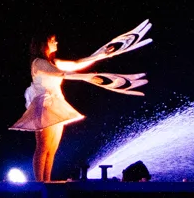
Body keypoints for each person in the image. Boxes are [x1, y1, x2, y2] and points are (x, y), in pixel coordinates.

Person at [10, 22, 152, 182]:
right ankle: (40, 183)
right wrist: (87, 77)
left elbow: (76, 64)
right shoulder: (38, 62)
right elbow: (62, 74)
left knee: (52, 148)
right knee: (43, 147)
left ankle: (47, 181)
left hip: (55, 104)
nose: (56, 42)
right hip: (44, 105)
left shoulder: (52, 62)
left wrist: (100, 55)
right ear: (44, 43)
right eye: (53, 40)